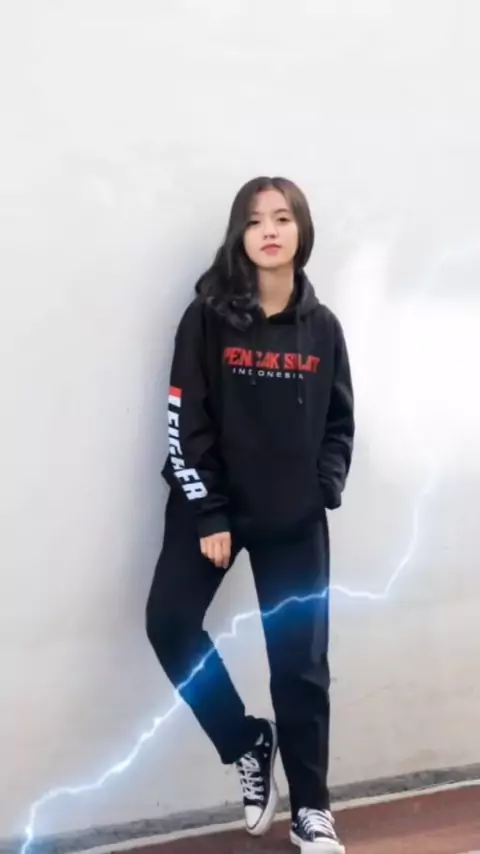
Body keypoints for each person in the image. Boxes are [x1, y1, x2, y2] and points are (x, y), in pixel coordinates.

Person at [146, 176, 354, 854]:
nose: (270, 230)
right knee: (170, 624)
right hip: (210, 504)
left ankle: (312, 808)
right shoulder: (207, 317)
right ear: (240, 235)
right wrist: (209, 511)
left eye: (283, 218)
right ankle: (244, 741)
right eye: (256, 219)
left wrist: (322, 488)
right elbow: (185, 417)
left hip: (293, 514)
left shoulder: (322, 328)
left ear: (301, 232)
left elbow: (340, 422)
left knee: (300, 663)